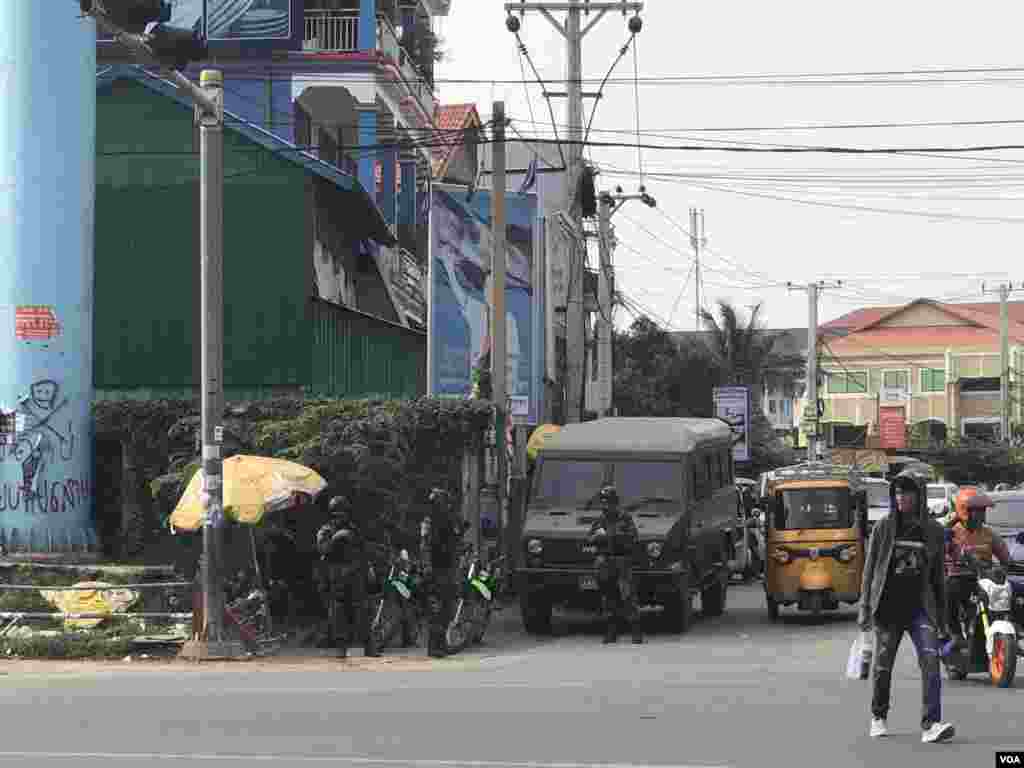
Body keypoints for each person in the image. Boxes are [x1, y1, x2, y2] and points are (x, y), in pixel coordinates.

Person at [858, 470, 954, 743]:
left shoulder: (934, 531)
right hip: (888, 608)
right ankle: (878, 716)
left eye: (907, 492)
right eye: (898, 492)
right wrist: (864, 609)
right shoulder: (884, 527)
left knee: (931, 663)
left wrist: (943, 619)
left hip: (920, 609)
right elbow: (869, 571)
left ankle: (931, 724)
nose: (901, 497)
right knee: (882, 667)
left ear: (919, 495)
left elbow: (938, 577)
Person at [315, 495, 379, 659]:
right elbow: (323, 550)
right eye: (337, 513)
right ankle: (341, 648)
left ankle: (369, 646)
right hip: (336, 577)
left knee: (363, 612)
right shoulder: (326, 530)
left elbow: (363, 550)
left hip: (355, 575)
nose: (340, 517)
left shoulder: (354, 528)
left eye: (343, 513)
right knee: (338, 615)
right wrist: (337, 537)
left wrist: (369, 568)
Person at [943, 493, 1011, 645]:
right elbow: (941, 551)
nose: (981, 514)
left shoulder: (989, 533)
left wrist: (1006, 565)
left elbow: (1004, 556)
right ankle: (955, 633)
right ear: (964, 511)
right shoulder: (952, 531)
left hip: (983, 577)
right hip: (958, 576)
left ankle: (1010, 626)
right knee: (949, 593)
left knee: (1012, 590)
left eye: (983, 510)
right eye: (977, 510)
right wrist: (946, 542)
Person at [589, 485, 642, 645]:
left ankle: (636, 632)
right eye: (603, 503)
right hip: (606, 561)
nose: (605, 506)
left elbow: (633, 537)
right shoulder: (601, 519)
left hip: (622, 561)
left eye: (608, 502)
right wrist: (598, 537)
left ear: (615, 503)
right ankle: (611, 632)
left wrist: (611, 535)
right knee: (609, 597)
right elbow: (590, 538)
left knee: (628, 596)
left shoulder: (625, 518)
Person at [420, 487, 469, 658]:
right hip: (436, 568)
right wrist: (427, 567)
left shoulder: (449, 519)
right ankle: (434, 647)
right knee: (436, 608)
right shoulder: (430, 521)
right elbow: (425, 545)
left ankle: (441, 644)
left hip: (448, 567)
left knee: (446, 608)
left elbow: (459, 533)